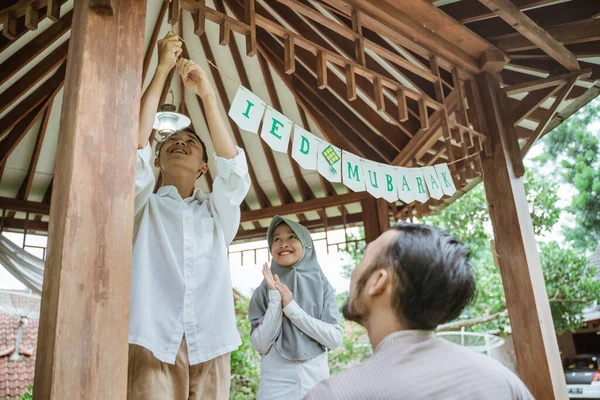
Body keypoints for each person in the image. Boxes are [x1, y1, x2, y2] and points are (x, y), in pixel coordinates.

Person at [127, 31, 250, 400]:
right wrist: (163, 67)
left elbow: (234, 170)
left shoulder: (217, 213)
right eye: (170, 143)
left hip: (211, 343)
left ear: (202, 168)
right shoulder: (141, 208)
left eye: (192, 143)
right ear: (157, 160)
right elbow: (133, 144)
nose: (181, 142)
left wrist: (208, 96)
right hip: (150, 340)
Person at [305, 222, 534, 400]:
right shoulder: (502, 381)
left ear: (378, 281)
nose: (354, 272)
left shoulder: (335, 394)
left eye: (364, 257)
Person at [248, 216, 343, 399]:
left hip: (316, 384)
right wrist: (275, 298)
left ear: (306, 243)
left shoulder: (322, 285)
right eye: (276, 239)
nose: (283, 244)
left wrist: (291, 308)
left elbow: (334, 338)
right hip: (275, 387)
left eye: (292, 237)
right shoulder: (263, 290)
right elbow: (260, 344)